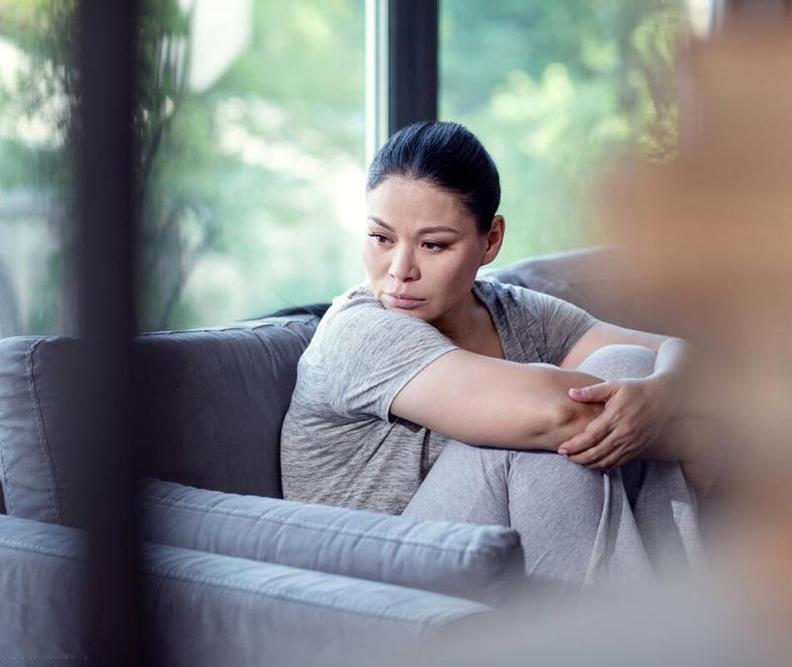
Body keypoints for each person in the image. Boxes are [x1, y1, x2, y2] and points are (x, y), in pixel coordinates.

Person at [280, 121, 719, 591]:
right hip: (369, 582)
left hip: (469, 557)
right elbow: (560, 419)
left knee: (626, 365)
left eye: (433, 245)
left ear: (490, 241)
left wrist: (663, 389)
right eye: (381, 238)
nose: (400, 270)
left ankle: (658, 616)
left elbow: (678, 355)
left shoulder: (512, 312)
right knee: (532, 441)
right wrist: (688, 440)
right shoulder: (361, 330)